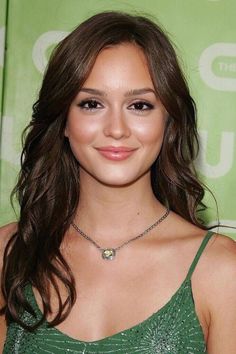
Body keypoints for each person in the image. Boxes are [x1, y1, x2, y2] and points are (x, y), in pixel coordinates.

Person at [0, 11, 236, 354]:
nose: (116, 129)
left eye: (139, 105)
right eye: (91, 104)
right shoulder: (9, 253)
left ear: (168, 121)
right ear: (64, 120)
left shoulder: (222, 271)